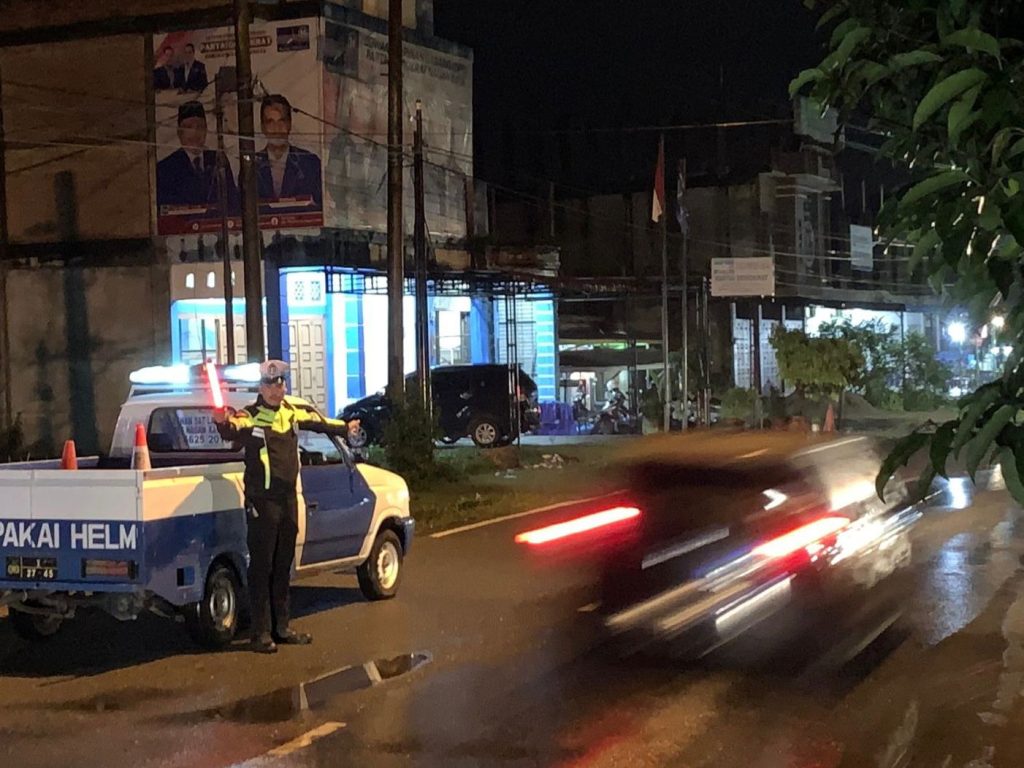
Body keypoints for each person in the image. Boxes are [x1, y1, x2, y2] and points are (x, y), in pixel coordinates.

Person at [213, 360, 358, 654]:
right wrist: (221, 421)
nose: (276, 389)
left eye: (280, 384)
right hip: (262, 501)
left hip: (288, 498)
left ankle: (282, 627)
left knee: (283, 564)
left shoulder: (291, 411)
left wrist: (346, 427)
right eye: (270, 385)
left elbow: (319, 422)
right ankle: (260, 633)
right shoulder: (250, 416)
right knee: (262, 566)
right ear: (261, 388)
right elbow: (231, 428)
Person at [156, 101, 238, 210]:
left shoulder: (218, 159)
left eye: (200, 126)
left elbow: (233, 201)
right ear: (179, 132)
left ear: (206, 129)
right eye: (188, 127)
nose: (195, 133)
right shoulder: (166, 168)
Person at [256, 94, 323, 207]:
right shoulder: (252, 166)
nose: (276, 129)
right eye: (270, 122)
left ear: (289, 124)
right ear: (263, 128)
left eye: (281, 121)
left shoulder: (309, 163)